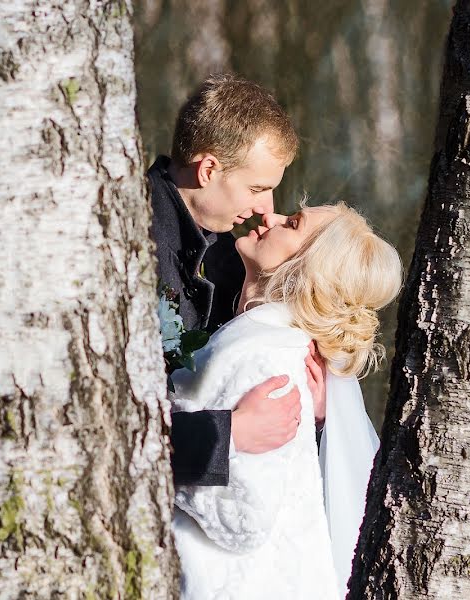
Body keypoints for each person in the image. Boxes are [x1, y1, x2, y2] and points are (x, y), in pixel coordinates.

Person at [170, 203, 402, 600]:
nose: (272, 219)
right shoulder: (265, 341)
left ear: (306, 269)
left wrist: (162, 424)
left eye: (292, 225)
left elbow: (244, 518)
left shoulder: (267, 359)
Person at [149, 74, 326, 486]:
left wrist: (308, 414)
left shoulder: (232, 258)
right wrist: (227, 435)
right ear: (209, 169)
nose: (267, 210)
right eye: (257, 187)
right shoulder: (128, 241)